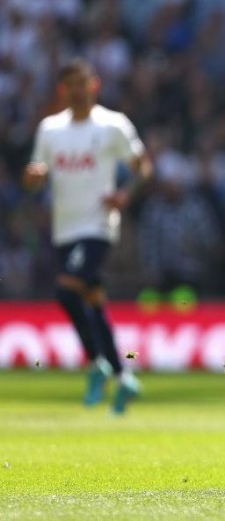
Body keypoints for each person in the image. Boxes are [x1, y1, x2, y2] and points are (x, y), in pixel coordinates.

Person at [22, 58, 153, 415]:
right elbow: (36, 177)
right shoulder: (50, 129)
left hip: (97, 225)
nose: (77, 90)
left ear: (94, 85)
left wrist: (125, 193)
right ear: (62, 90)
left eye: (83, 83)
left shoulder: (113, 125)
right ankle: (124, 375)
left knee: (66, 290)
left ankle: (97, 363)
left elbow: (143, 166)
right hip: (65, 228)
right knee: (92, 299)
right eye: (70, 85)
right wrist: (33, 176)